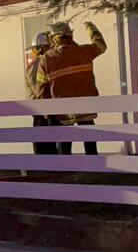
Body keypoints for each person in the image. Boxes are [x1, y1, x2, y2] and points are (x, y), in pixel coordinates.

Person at [38, 21, 106, 155]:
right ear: (70, 35)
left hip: (63, 110)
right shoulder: (84, 52)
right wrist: (91, 28)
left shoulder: (47, 59)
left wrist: (47, 112)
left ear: (53, 38)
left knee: (65, 142)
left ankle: (66, 167)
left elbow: (41, 88)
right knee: (90, 139)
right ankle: (94, 165)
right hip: (86, 107)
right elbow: (101, 46)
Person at [24, 33, 57, 155]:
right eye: (50, 46)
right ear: (43, 48)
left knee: (48, 141)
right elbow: (38, 88)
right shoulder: (37, 65)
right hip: (42, 110)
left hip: (44, 109)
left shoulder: (37, 64)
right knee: (45, 144)